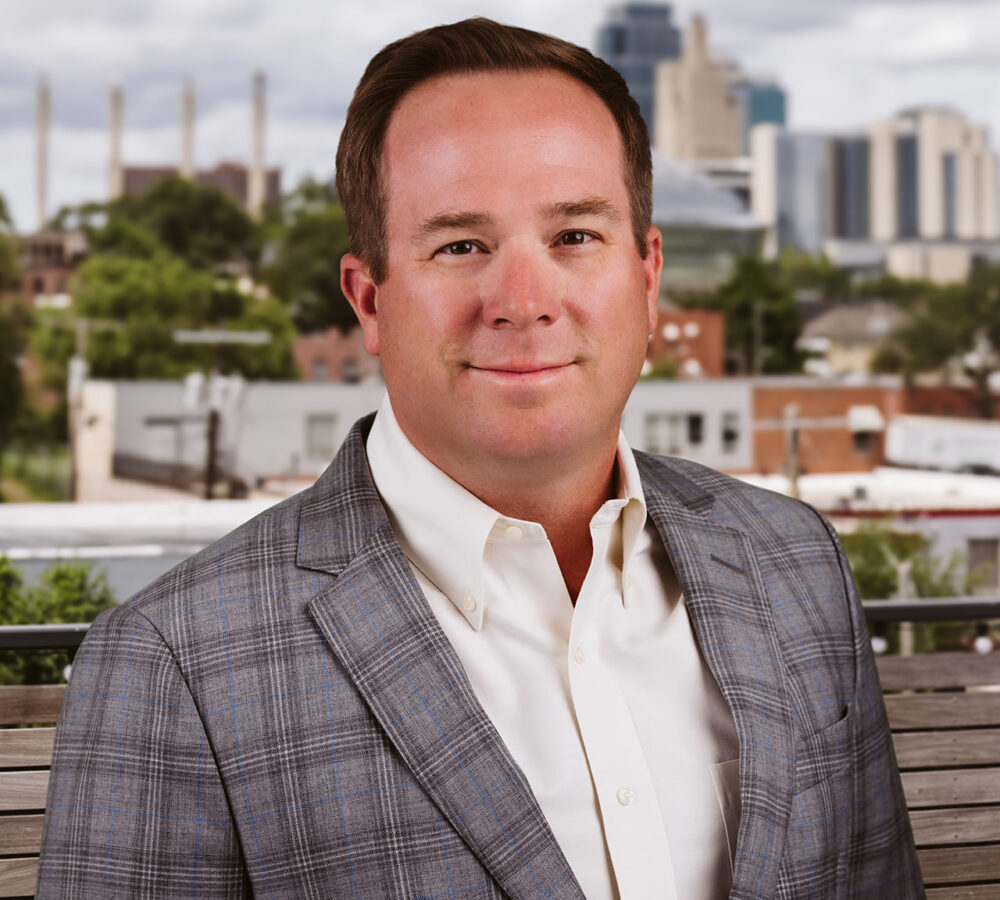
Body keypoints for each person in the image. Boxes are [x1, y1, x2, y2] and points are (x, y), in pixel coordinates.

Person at [39, 18, 922, 899]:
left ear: (647, 279)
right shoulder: (173, 665)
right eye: (461, 244)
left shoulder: (797, 565)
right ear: (370, 298)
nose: (525, 302)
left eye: (575, 236)